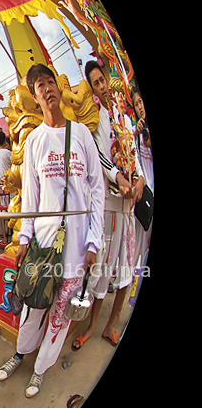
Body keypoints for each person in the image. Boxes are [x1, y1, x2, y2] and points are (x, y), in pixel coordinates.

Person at [0, 63, 104, 397]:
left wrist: (93, 241)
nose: (47, 89)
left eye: (50, 82)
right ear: (34, 95)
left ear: (57, 88)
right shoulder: (34, 142)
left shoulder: (82, 134)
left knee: (60, 314)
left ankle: (40, 370)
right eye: (39, 85)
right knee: (33, 305)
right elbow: (31, 196)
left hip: (76, 243)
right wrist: (25, 237)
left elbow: (97, 189)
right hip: (43, 241)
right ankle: (20, 354)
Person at [73, 60, 141, 351]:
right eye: (97, 83)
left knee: (126, 269)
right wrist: (120, 178)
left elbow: (134, 154)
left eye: (104, 80)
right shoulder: (95, 119)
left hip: (130, 206)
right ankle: (90, 325)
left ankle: (110, 326)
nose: (103, 86)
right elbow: (101, 157)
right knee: (101, 268)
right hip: (110, 205)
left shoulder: (125, 120)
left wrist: (137, 182)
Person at [131, 85, 153, 270]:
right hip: (143, 194)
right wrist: (136, 132)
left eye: (141, 102)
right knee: (138, 243)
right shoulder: (134, 131)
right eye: (136, 104)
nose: (140, 107)